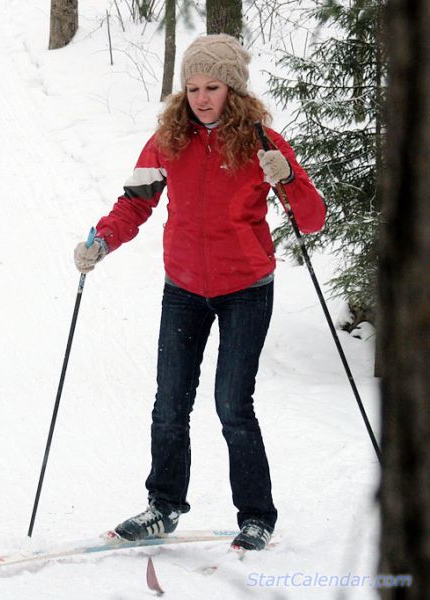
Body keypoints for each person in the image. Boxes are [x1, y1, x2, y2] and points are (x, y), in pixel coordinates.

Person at [73, 35, 326, 551]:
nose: (202, 97)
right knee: (169, 404)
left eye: (213, 86)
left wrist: (288, 177)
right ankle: (162, 508)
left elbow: (312, 219)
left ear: (233, 89)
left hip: (246, 289)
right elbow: (134, 205)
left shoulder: (262, 142)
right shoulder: (168, 139)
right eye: (193, 88)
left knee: (233, 404)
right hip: (184, 288)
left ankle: (256, 515)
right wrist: (101, 240)